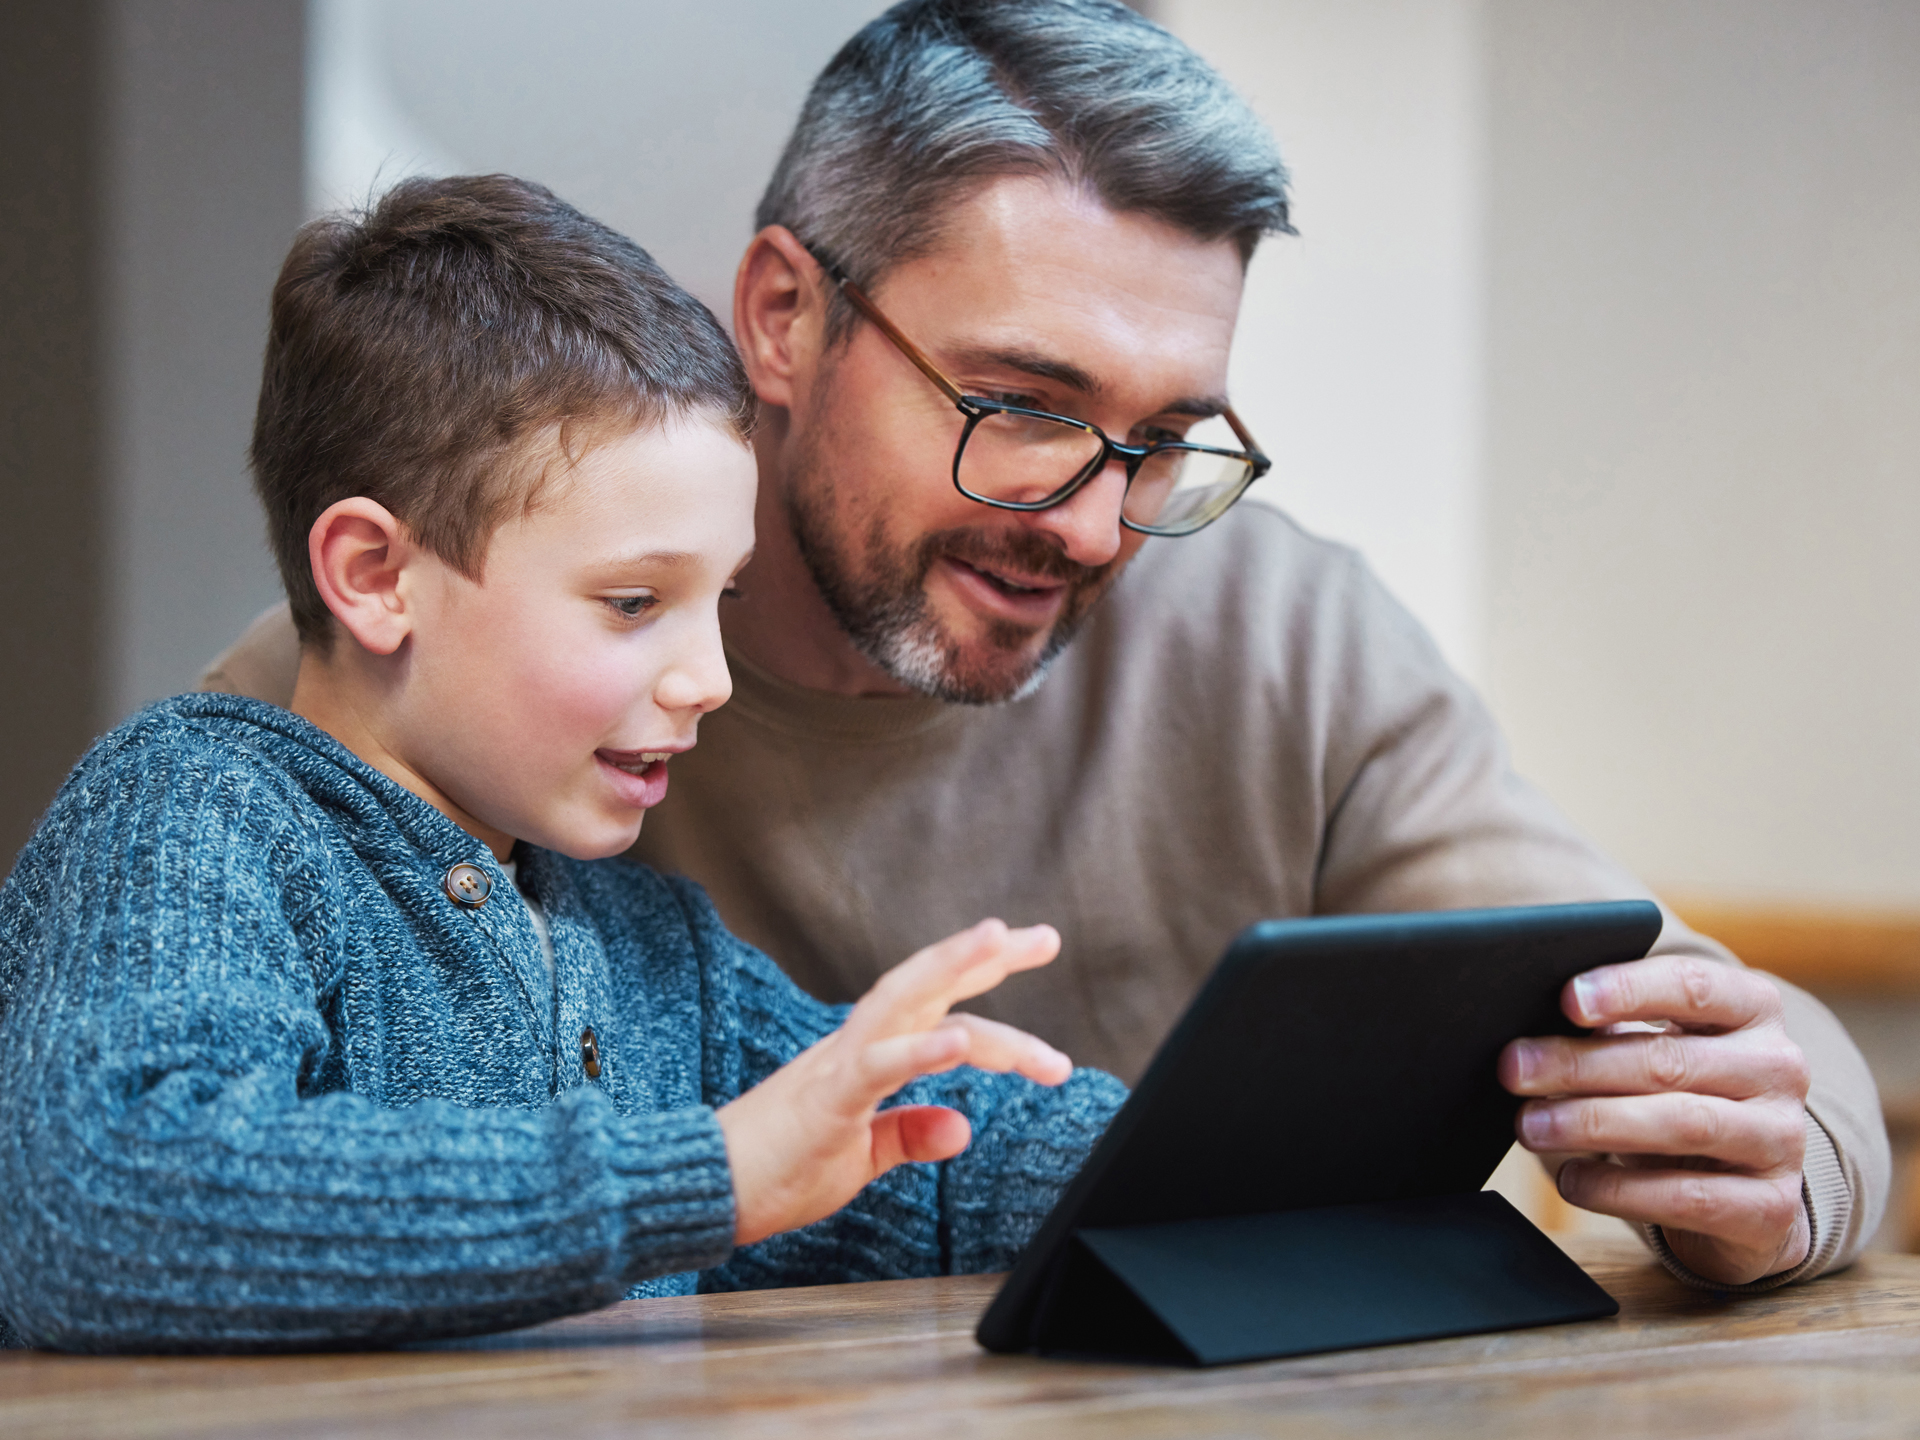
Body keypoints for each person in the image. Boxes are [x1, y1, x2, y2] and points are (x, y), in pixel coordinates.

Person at [204, 1, 1888, 1291]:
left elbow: (1741, 1041)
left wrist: (1770, 1166)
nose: (1094, 523)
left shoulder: (1278, 635)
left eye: (1169, 438)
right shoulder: (415, 684)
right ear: (785, 317)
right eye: (1022, 409)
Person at [0, 174, 1125, 1353]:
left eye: (717, 602)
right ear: (378, 575)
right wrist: (707, 1176)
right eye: (634, 601)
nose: (710, 680)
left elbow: (931, 1155)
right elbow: (105, 1201)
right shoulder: (197, 811)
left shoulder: (652, 956)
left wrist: (1227, 1152)